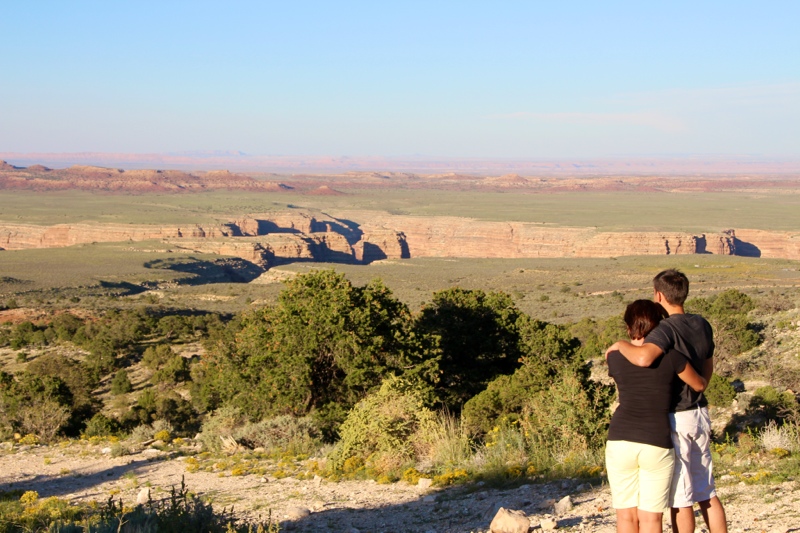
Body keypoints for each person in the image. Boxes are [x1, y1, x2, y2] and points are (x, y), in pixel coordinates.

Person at [606, 269, 728, 533]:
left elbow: (643, 358)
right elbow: (708, 364)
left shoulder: (666, 329)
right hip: (699, 411)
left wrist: (618, 344)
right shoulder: (701, 323)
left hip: (676, 415)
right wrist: (702, 386)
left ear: (658, 294)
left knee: (680, 497)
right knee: (707, 490)